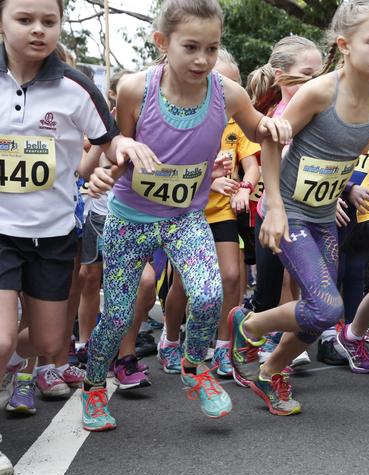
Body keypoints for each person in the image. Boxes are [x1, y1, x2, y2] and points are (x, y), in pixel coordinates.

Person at [83, 0, 290, 431]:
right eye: (191, 47)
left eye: (212, 48)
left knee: (210, 293)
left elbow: (261, 133)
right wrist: (108, 169)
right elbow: (118, 145)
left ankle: (197, 369)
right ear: (162, 42)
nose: (203, 59)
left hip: (185, 218)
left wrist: (276, 133)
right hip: (130, 217)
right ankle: (94, 387)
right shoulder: (135, 89)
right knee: (118, 314)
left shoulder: (227, 92)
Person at [229, 0, 369, 414]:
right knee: (328, 305)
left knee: (320, 312)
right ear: (345, 45)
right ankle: (248, 325)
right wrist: (275, 206)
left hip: (323, 217)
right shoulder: (319, 91)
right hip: (288, 213)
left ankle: (270, 371)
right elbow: (270, 139)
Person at [0, 0, 159, 475]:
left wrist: (122, 146)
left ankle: (12, 362)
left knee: (48, 341)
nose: (38, 30)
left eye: (49, 21)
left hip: (52, 235)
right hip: (1, 229)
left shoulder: (76, 86)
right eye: (24, 19)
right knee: (3, 335)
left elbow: (108, 138)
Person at [159, 48, 261, 378]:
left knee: (231, 277)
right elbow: (170, 167)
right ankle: (171, 340)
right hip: (187, 212)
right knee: (183, 285)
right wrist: (209, 184)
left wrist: (245, 188)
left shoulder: (238, 123)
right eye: (220, 82)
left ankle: (221, 349)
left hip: (221, 215)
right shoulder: (187, 117)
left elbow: (252, 167)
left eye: (233, 84)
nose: (225, 91)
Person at [246, 35, 323, 367]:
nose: (316, 84)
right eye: (307, 75)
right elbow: (268, 169)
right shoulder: (279, 119)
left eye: (320, 75)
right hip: (274, 214)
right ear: (280, 76)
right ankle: (248, 339)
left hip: (308, 215)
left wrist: (348, 189)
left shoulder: (319, 114)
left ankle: (280, 351)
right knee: (268, 290)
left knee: (308, 289)